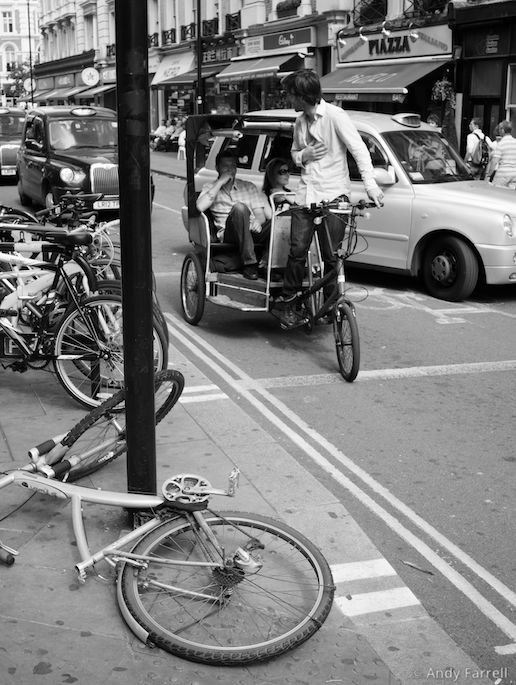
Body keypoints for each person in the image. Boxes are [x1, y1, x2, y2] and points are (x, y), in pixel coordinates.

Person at [274, 69, 384, 328]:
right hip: (306, 196)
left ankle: (330, 307)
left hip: (334, 195)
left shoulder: (335, 116)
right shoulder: (300, 123)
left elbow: (359, 151)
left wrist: (371, 186)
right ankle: (288, 303)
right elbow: (294, 154)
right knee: (297, 252)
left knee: (331, 256)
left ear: (302, 95)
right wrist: (305, 155)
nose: (289, 100)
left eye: (290, 95)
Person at [196, 149, 268, 280]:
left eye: (233, 166)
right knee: (239, 208)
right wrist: (220, 182)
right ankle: (250, 263)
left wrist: (257, 221)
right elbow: (200, 206)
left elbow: (260, 215)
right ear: (217, 168)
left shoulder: (248, 186)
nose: (230, 170)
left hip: (252, 230)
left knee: (280, 220)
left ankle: (272, 265)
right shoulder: (210, 187)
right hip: (230, 233)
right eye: (225, 167)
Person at [259, 158, 294, 279]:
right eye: (282, 171)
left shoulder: (291, 194)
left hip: (289, 232)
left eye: (288, 171)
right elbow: (270, 216)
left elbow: (300, 208)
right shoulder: (264, 194)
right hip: (270, 229)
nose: (287, 174)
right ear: (272, 173)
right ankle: (268, 262)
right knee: (282, 220)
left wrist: (285, 196)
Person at [490, 120, 516, 188]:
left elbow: (494, 161)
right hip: (514, 174)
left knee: (497, 193)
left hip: (502, 174)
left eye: (500, 129)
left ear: (503, 130)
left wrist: (489, 175)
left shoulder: (501, 143)